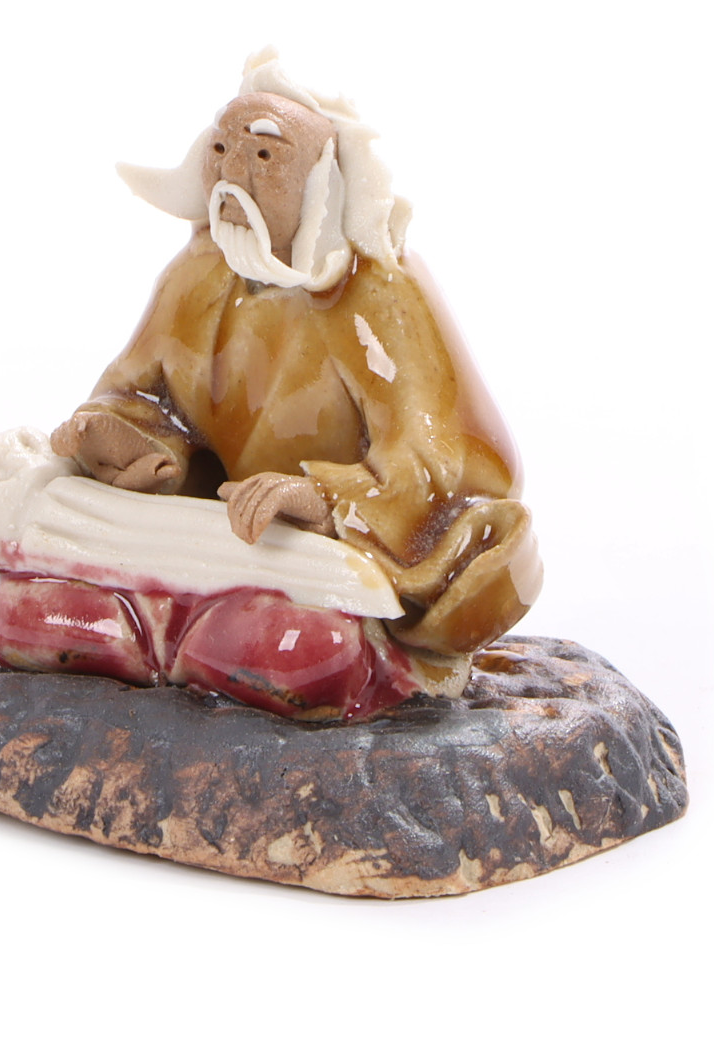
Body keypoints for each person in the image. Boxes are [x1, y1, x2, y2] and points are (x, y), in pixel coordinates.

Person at [49, 51, 541, 676]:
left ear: (321, 182)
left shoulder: (379, 293)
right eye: (220, 150)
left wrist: (320, 498)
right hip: (218, 548)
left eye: (262, 155)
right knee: (49, 612)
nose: (232, 172)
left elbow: (438, 459)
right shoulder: (196, 272)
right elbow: (143, 396)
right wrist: (120, 436)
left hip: (325, 561)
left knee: (294, 653)